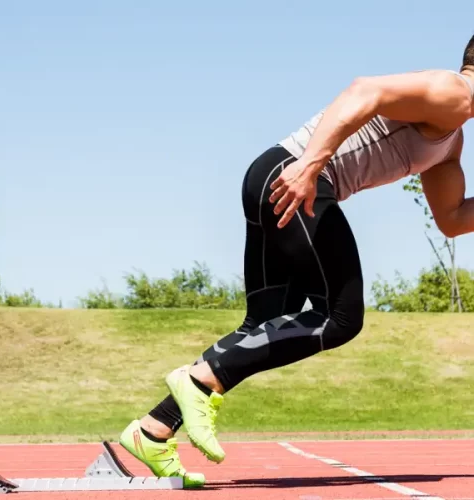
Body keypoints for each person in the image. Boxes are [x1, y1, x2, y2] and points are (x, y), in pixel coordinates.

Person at [118, 35, 474, 488]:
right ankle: (198, 383)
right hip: (297, 177)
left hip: (273, 176)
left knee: (268, 322)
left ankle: (154, 429)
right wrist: (310, 165)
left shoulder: (452, 140)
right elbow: (365, 90)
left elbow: (453, 217)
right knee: (342, 319)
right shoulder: (455, 94)